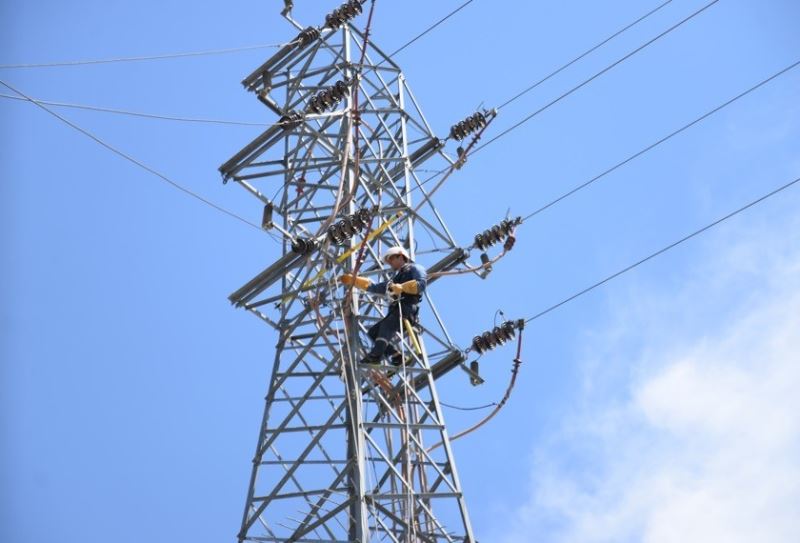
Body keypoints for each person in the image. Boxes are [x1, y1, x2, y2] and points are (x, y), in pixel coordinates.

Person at [340, 246, 427, 365]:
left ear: (401, 256)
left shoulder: (415, 268)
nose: (390, 264)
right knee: (373, 332)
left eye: (391, 259)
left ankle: (375, 355)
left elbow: (421, 284)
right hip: (397, 310)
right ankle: (396, 355)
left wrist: (402, 287)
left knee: (386, 326)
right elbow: (375, 287)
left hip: (406, 308)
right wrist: (354, 281)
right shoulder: (395, 279)